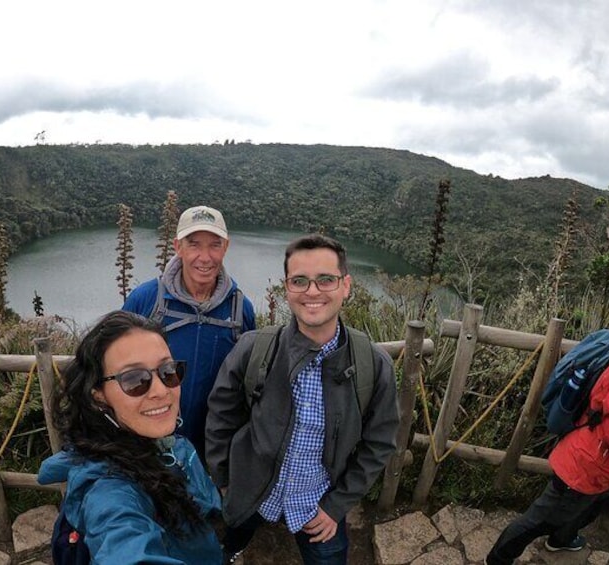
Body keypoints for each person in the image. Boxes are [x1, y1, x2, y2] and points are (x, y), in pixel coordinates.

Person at [206, 234, 399, 564]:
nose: (312, 291)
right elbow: (221, 417)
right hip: (252, 492)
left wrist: (336, 506)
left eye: (326, 279)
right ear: (287, 288)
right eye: (300, 281)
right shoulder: (256, 350)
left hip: (317, 505)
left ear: (346, 285)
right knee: (226, 545)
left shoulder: (372, 365)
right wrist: (224, 482)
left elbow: (379, 442)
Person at [37, 310, 223, 564]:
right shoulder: (109, 490)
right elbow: (124, 544)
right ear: (98, 395)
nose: (160, 391)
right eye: (134, 379)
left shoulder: (168, 445)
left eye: (168, 371)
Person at [486, 301, 609, 564]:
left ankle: (562, 540)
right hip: (589, 463)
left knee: (585, 509)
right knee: (540, 519)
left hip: (595, 457)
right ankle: (497, 559)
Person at [123, 205, 255, 457]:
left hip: (213, 449)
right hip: (148, 445)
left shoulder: (240, 309)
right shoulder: (147, 300)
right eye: (194, 244)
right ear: (177, 246)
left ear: (226, 247)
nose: (205, 257)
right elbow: (113, 365)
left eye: (214, 245)